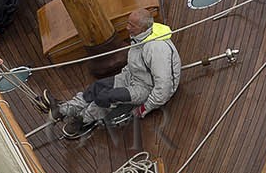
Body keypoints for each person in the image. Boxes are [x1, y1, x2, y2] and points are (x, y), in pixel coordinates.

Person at [54, 8, 181, 138]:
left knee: (106, 97)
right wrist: (121, 78)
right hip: (133, 78)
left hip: (147, 88)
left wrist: (144, 108)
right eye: (128, 23)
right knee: (96, 87)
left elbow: (164, 87)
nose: (127, 28)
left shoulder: (156, 49)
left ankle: (83, 120)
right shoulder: (139, 38)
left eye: (132, 25)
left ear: (143, 28)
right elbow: (134, 66)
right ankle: (65, 109)